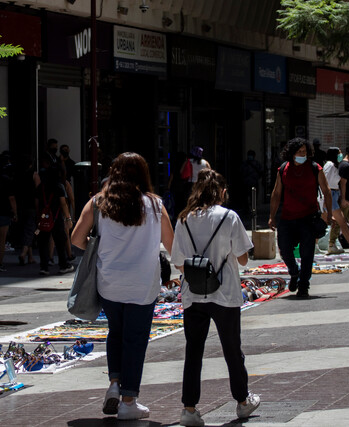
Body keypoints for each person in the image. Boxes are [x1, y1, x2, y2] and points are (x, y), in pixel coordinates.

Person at [71, 152, 174, 420]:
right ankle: (129, 401)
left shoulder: (99, 202)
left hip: (109, 284)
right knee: (135, 339)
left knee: (116, 333)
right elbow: (173, 246)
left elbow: (77, 238)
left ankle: (115, 385)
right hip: (142, 285)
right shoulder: (154, 205)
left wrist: (101, 250)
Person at [170, 168, 260, 426]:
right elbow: (243, 259)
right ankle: (243, 402)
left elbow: (178, 264)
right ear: (221, 192)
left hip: (193, 295)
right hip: (225, 293)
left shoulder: (184, 219)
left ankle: (189, 408)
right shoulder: (229, 217)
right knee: (232, 349)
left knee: (193, 352)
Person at [269, 138, 332, 298]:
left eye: (304, 151)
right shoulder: (283, 169)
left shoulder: (314, 168)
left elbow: (326, 190)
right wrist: (272, 216)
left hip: (308, 217)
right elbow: (276, 193)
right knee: (284, 249)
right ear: (291, 153)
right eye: (299, 152)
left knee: (307, 253)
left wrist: (329, 213)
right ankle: (294, 272)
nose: (302, 154)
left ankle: (304, 284)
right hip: (287, 217)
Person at [36, 165, 74, 275]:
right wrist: (68, 218)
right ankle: (63, 265)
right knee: (60, 241)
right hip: (56, 218)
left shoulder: (41, 186)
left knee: (42, 242)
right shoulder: (59, 186)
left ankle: (44, 267)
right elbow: (63, 203)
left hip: (43, 218)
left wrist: (39, 217)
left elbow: (37, 203)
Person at [323, 147, 349, 254]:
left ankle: (332, 245)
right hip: (329, 195)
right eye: (339, 153)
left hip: (334, 194)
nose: (341, 154)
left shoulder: (334, 165)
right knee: (341, 221)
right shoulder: (329, 165)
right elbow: (324, 181)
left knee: (337, 222)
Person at [12, 155, 40, 265]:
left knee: (25, 230)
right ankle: (23, 253)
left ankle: (30, 257)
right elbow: (38, 191)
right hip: (31, 205)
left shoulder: (16, 175)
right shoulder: (34, 175)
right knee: (30, 230)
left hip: (20, 206)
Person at [240, 149, 263, 218]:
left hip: (252, 183)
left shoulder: (256, 163)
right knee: (247, 198)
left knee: (253, 198)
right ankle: (248, 210)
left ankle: (252, 210)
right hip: (248, 183)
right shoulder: (245, 163)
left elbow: (261, 172)